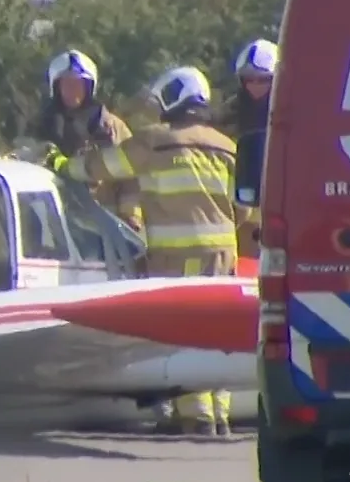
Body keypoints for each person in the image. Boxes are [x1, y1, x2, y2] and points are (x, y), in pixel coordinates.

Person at [50, 65, 248, 437]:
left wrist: (59, 164)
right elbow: (245, 207)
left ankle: (197, 417)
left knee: (184, 332)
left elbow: (101, 167)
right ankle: (219, 415)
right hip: (224, 255)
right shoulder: (226, 146)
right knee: (217, 334)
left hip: (175, 256)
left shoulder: (154, 141)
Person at [34, 50, 142, 234]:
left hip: (104, 224)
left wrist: (131, 215)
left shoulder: (111, 128)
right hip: (55, 223)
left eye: (78, 84)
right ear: (56, 87)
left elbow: (132, 176)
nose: (72, 90)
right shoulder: (41, 127)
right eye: (67, 84)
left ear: (89, 87)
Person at [225, 38, 278, 259]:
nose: (255, 85)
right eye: (249, 79)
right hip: (240, 216)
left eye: (263, 79)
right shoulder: (231, 112)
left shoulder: (295, 111)